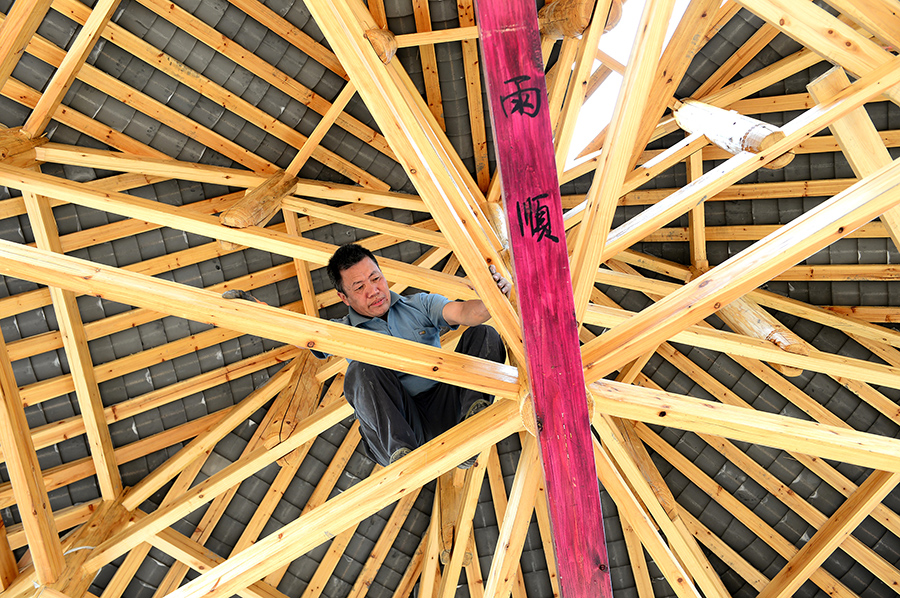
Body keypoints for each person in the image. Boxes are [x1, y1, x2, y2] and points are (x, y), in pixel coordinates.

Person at [323, 243, 510, 468]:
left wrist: (493, 295)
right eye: (359, 287)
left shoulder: (419, 305)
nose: (373, 291)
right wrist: (278, 326)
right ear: (344, 298)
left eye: (375, 279)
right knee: (360, 369)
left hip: (447, 408)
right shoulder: (342, 331)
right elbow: (301, 337)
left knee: (484, 334)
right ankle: (404, 460)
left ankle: (473, 427)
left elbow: (464, 312)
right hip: (396, 426)